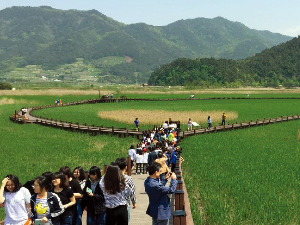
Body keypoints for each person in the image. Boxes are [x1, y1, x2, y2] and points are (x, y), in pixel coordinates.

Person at [115, 158, 137, 224]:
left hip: (113, 205)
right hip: (125, 204)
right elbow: (132, 191)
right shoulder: (129, 179)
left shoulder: (112, 178)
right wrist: (134, 201)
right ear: (126, 167)